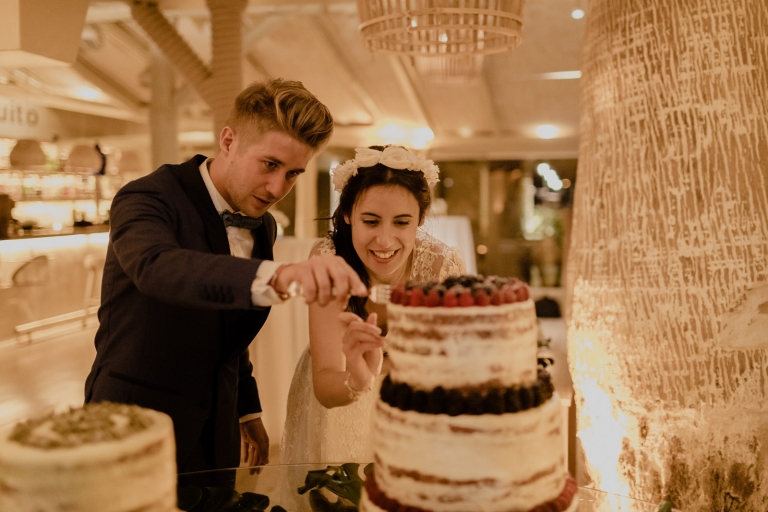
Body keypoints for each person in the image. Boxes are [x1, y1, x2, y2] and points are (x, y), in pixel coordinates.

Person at [84, 79, 368, 473]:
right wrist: (281, 275)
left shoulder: (263, 226)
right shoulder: (147, 197)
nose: (276, 187)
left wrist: (246, 410)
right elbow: (157, 267)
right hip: (131, 425)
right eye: (270, 164)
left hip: (216, 434)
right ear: (229, 141)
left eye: (293, 174)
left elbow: (228, 329)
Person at [281, 145, 466, 464]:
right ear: (349, 214)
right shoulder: (328, 261)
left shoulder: (442, 269)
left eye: (401, 222)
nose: (384, 240)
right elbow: (325, 384)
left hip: (414, 410)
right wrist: (357, 379)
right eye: (371, 221)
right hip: (339, 400)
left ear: (420, 219)